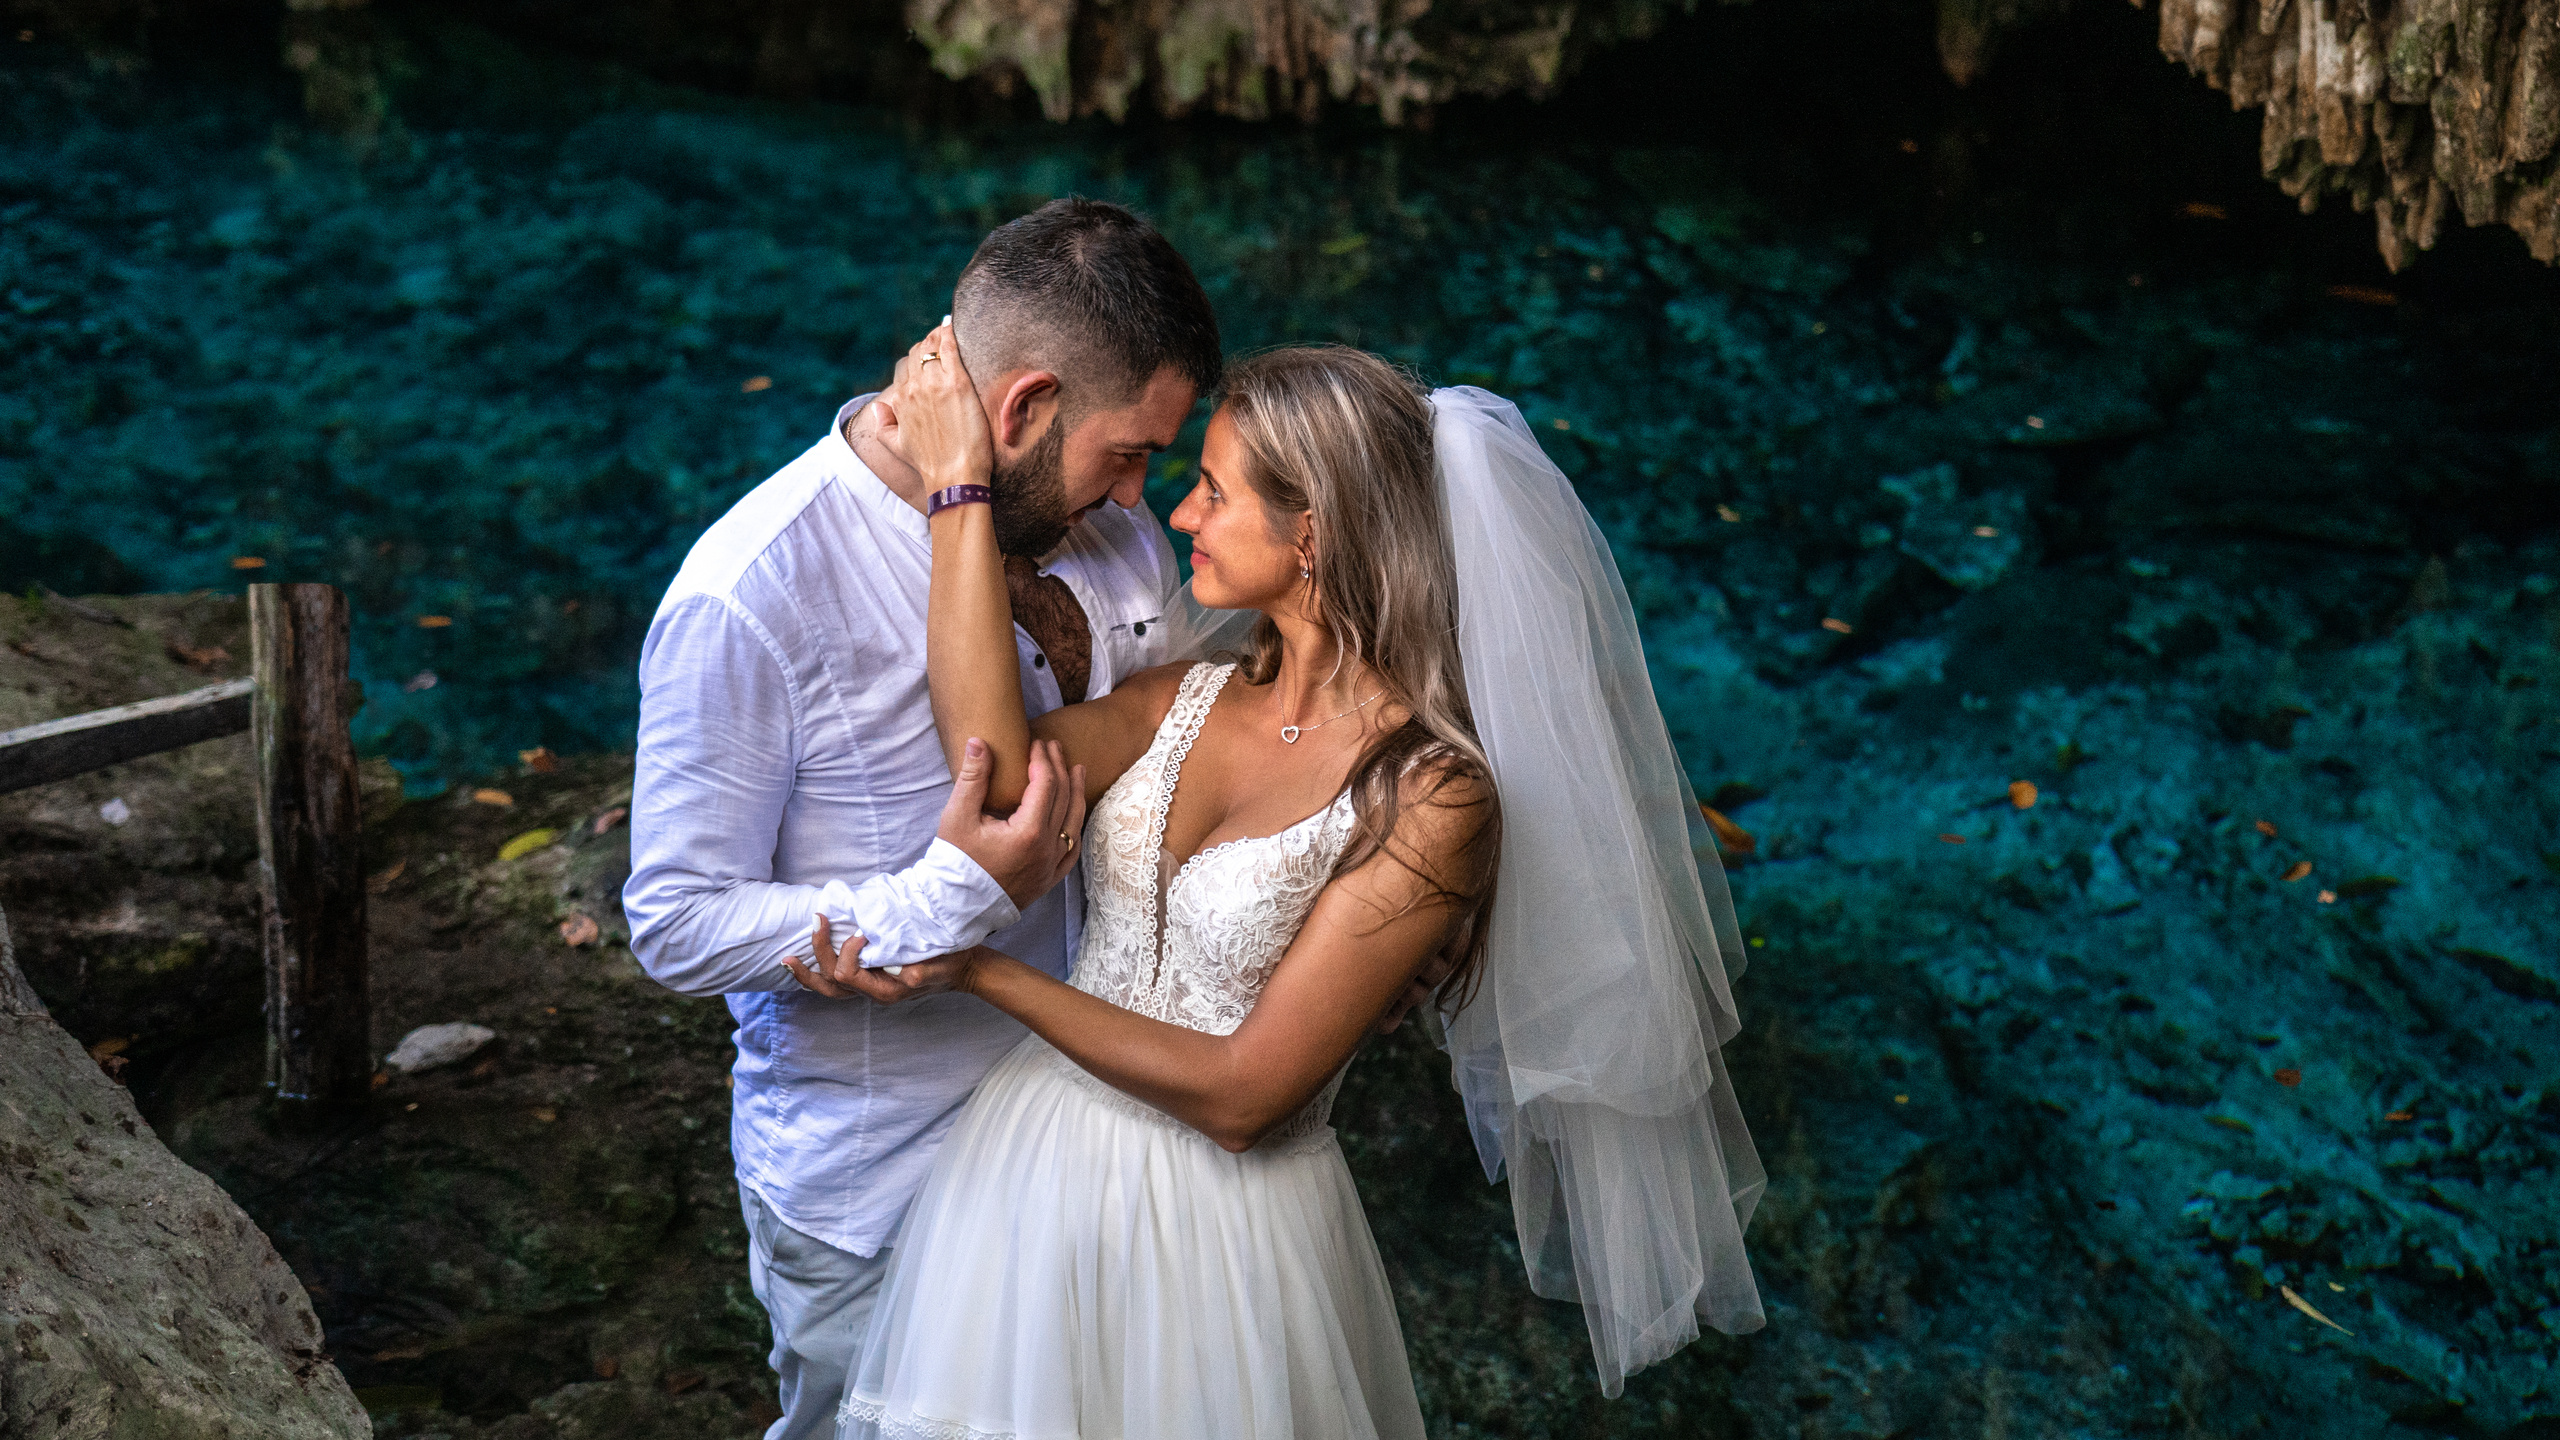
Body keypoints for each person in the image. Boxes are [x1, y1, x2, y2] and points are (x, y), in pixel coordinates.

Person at [811, 338, 1767, 1439]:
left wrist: (979, 971)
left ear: (1309, 532)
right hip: (1027, 1173)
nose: (1178, 517)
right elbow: (990, 761)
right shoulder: (1183, 695)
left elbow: (1244, 1098)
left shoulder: (1432, 795)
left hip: (1224, 1237)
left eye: (1212, 492)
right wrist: (959, 494)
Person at [620, 198, 1222, 1440]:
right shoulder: (753, 592)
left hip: (1102, 1143)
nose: (1142, 497)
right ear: (1022, 409)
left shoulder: (1112, 546)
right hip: (882, 1187)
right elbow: (674, 924)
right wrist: (937, 900)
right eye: (1128, 453)